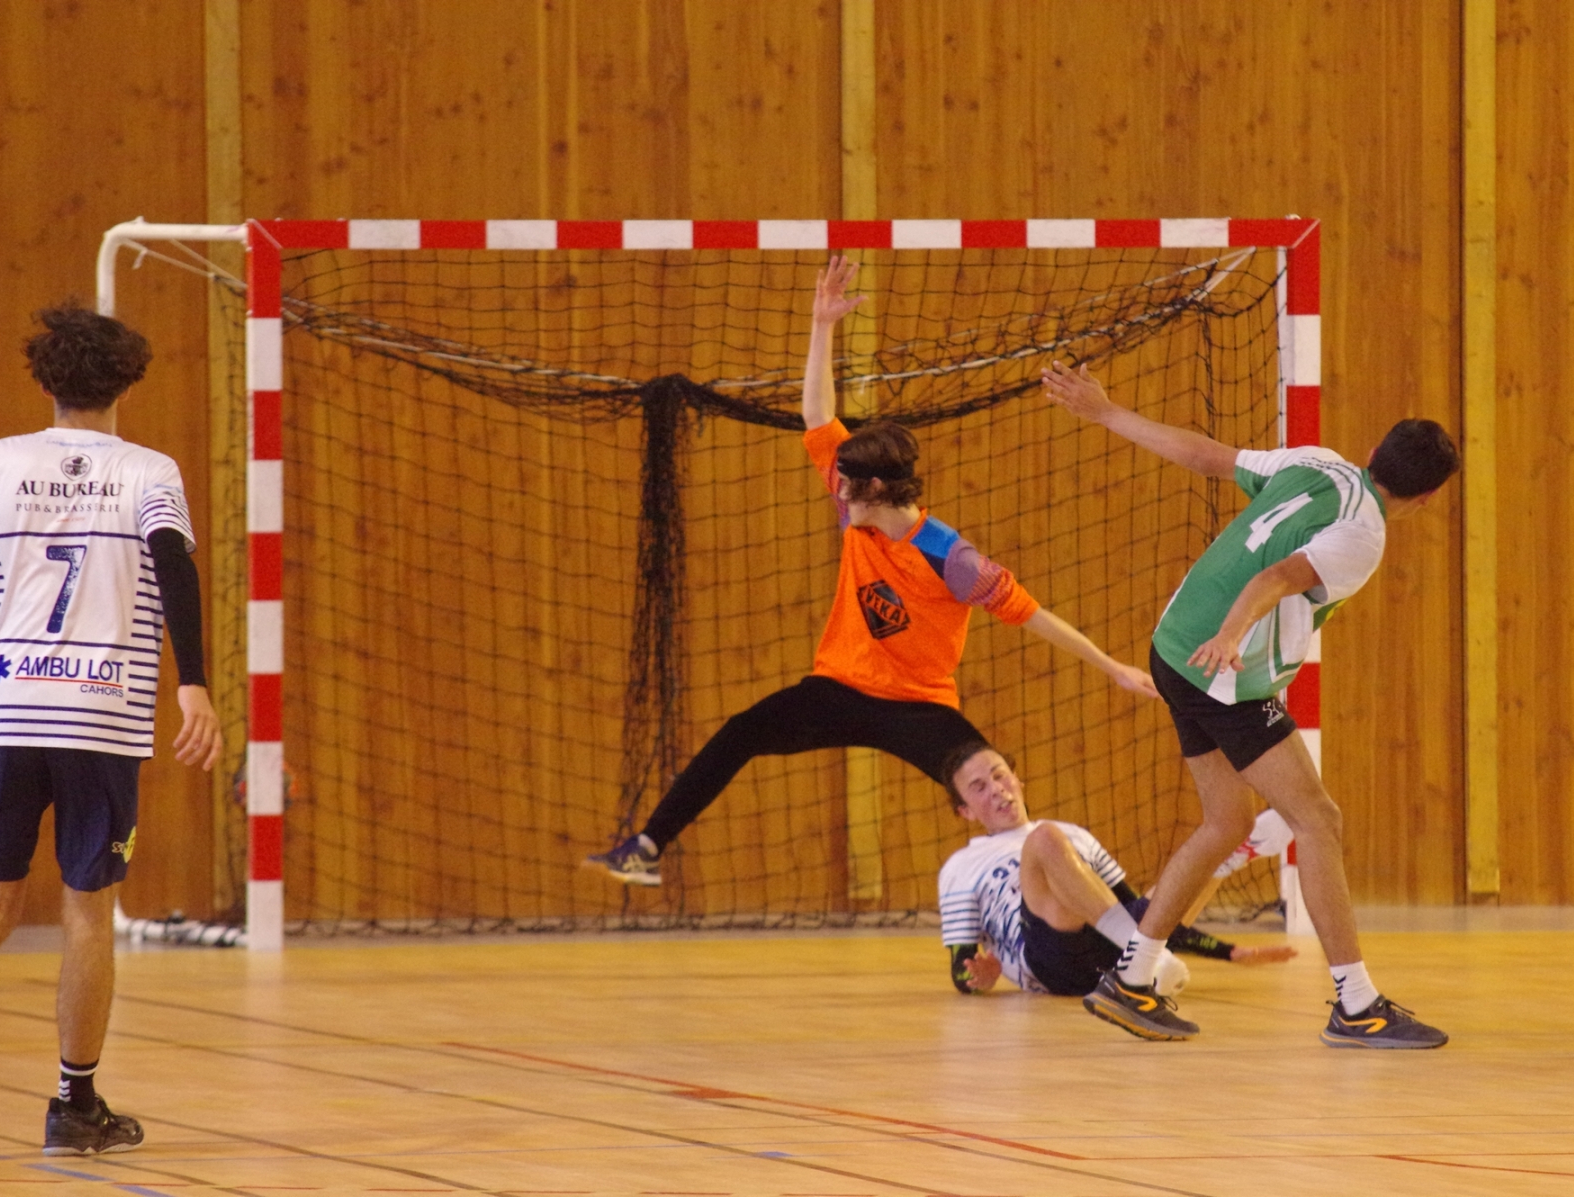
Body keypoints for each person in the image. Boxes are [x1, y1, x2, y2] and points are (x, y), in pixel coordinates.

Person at [588, 258, 1157, 886]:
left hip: (918, 704)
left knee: (989, 783)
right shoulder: (855, 506)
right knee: (741, 732)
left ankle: (1101, 906)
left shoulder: (949, 557)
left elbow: (1032, 615)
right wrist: (821, 325)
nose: (837, 490)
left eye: (848, 484)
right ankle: (647, 848)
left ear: (879, 488)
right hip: (838, 688)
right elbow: (817, 417)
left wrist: (1112, 667)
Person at [1043, 360, 1459, 1047]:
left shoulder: (1317, 461)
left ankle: (1131, 978)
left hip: (1172, 645)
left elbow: (1206, 455)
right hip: (1221, 672)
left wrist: (1109, 412)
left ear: (1372, 452)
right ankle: (1358, 1005)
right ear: (1428, 498)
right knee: (1317, 819)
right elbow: (1275, 577)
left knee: (1227, 819)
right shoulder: (1364, 535)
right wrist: (1232, 635)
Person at [0, 303, 223, 1154]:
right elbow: (174, 568)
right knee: (88, 907)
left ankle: (77, 1106)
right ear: (129, 381)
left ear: (45, 378)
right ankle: (74, 1106)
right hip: (99, 709)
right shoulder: (149, 472)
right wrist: (193, 682)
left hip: (7, 703)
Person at [937, 740, 1294, 1005]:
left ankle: (1225, 860)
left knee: (1146, 905)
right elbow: (961, 968)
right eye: (979, 787)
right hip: (1051, 963)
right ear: (965, 811)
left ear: (1017, 779)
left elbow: (1137, 912)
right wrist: (979, 978)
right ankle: (1149, 951)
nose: (997, 789)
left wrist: (1228, 952)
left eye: (1000, 775)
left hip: (1113, 959)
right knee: (1044, 839)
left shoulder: (1076, 836)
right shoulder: (962, 866)